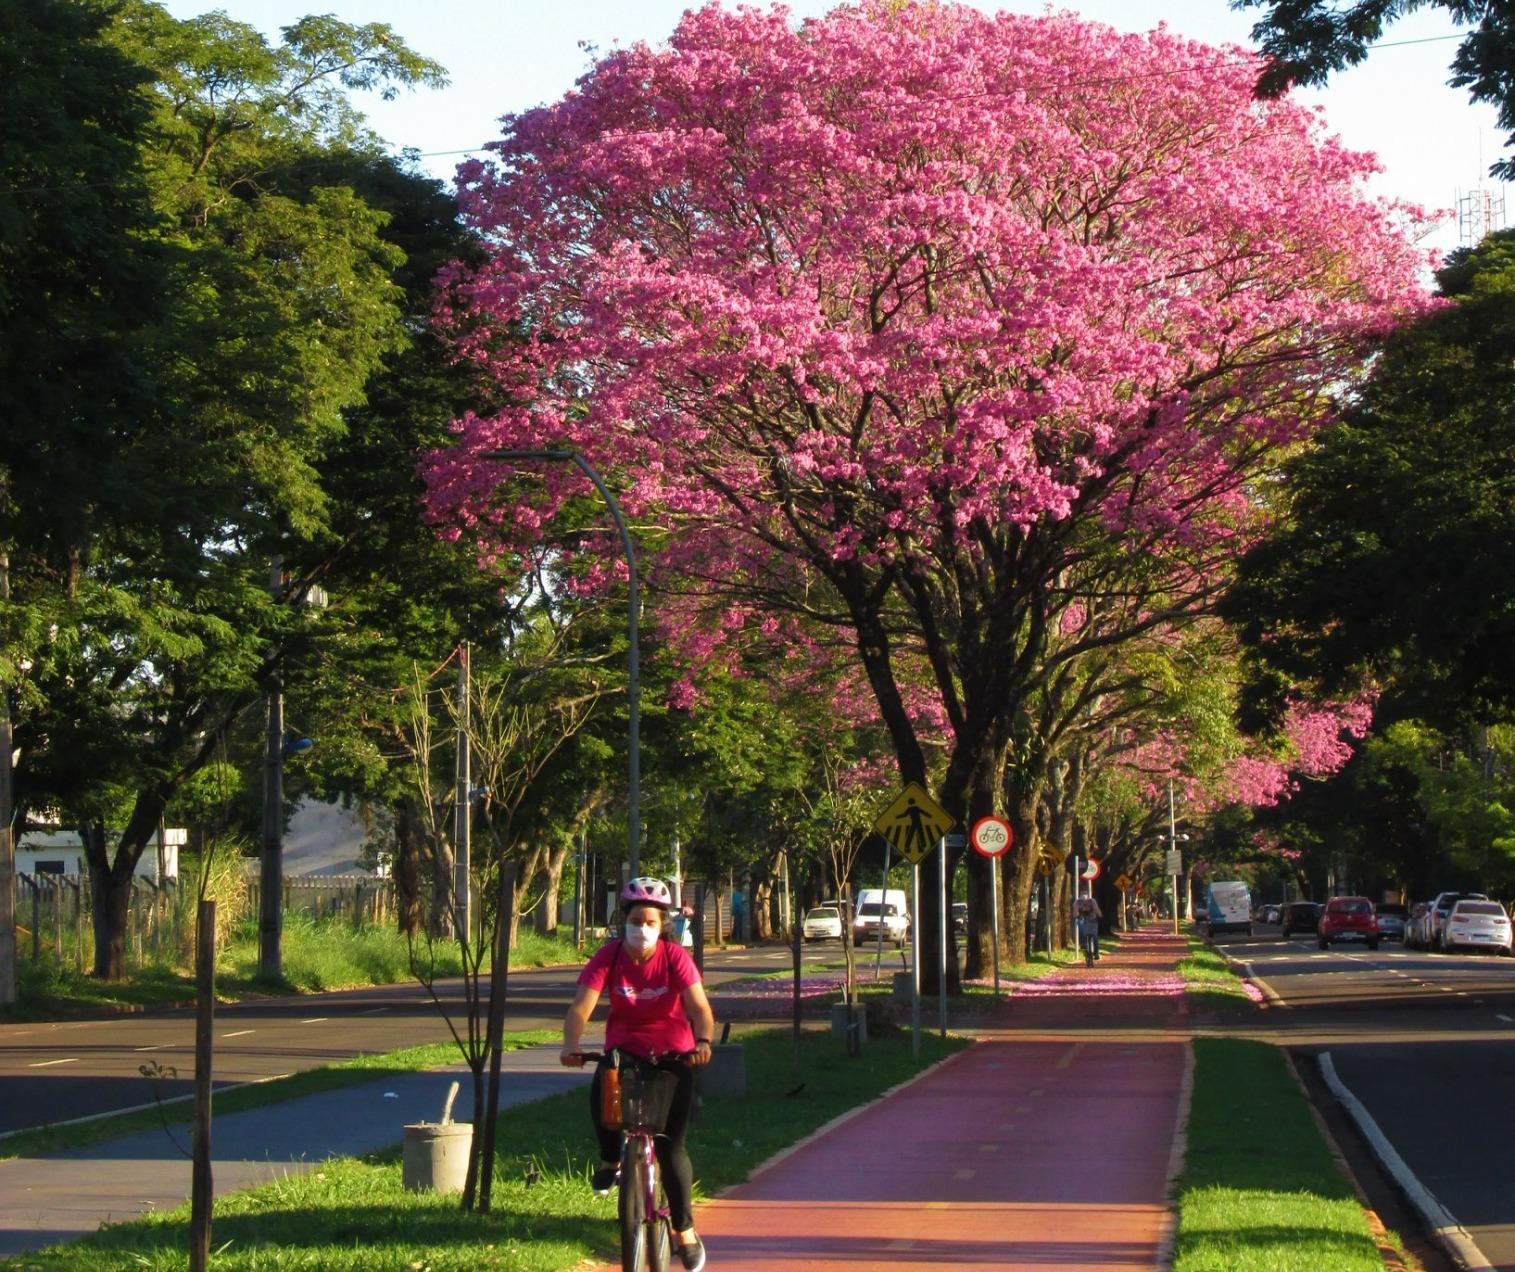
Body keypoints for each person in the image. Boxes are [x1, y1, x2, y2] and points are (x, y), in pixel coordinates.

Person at [561, 877, 716, 1272]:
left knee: (671, 1146)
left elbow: (698, 1007)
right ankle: (611, 1159)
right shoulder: (608, 957)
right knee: (602, 1090)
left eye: (650, 921)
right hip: (623, 1051)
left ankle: (684, 1230)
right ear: (622, 921)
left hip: (673, 1055)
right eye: (635, 920)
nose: (642, 928)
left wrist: (704, 1040)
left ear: (662, 924)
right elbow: (581, 1007)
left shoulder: (675, 957)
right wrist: (571, 1045)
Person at [1075, 889, 1103, 961]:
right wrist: (1076, 917)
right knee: (1081, 928)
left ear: (1088, 894)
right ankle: (1084, 945)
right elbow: (1075, 912)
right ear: (1080, 895)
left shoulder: (1092, 901)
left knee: (1095, 936)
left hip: (1092, 919)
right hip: (1083, 920)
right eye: (1082, 894)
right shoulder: (1077, 902)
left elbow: (1096, 909)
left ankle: (1096, 953)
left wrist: (1100, 916)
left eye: (1085, 893)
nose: (1084, 895)